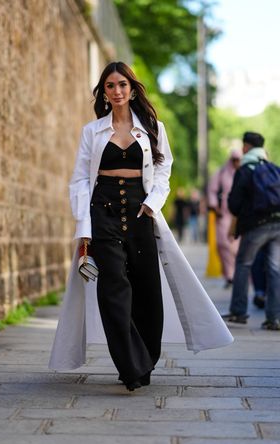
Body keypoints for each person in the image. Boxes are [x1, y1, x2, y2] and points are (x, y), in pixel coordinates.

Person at [49, 61, 233, 391]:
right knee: (112, 289)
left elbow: (164, 170)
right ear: (103, 92)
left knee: (147, 289)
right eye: (110, 86)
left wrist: (153, 202)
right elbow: (78, 179)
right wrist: (84, 225)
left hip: (140, 213)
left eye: (122, 85)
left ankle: (146, 357)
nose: (117, 91)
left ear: (132, 89)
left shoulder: (153, 128)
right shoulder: (92, 132)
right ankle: (129, 363)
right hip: (102, 211)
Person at [222, 132, 280, 330]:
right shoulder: (273, 167)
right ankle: (275, 318)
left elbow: (234, 203)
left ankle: (239, 312)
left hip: (256, 226)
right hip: (278, 225)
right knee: (275, 270)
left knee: (243, 264)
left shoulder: (245, 169)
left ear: (246, 147)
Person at [207, 150, 241, 288]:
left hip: (238, 213)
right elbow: (212, 191)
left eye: (238, 159)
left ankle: (239, 275)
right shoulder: (221, 173)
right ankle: (229, 275)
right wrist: (215, 207)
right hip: (224, 213)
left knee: (236, 245)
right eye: (234, 159)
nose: (236, 162)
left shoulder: (243, 172)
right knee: (223, 244)